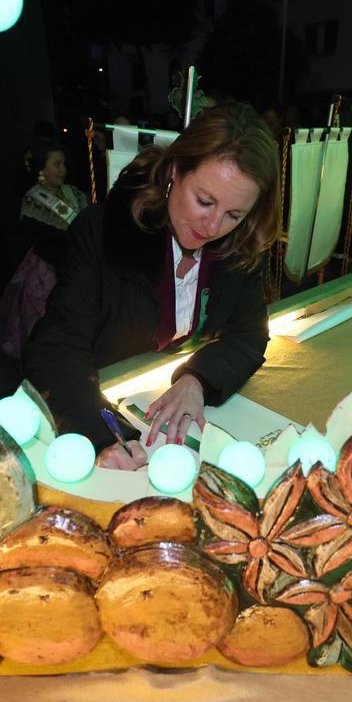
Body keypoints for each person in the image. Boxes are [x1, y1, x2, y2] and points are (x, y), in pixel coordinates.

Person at [25, 103, 279, 470]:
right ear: (175, 169)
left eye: (234, 215)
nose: (212, 227)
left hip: (154, 403)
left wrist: (196, 379)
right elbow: (56, 348)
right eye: (204, 201)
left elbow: (250, 333)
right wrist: (102, 436)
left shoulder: (241, 245)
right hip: (88, 400)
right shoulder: (104, 232)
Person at [0, 139, 89, 365]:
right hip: (48, 267)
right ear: (41, 168)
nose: (62, 170)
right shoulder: (32, 199)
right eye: (56, 164)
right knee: (42, 314)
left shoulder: (72, 192)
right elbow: (42, 241)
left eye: (63, 164)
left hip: (77, 263)